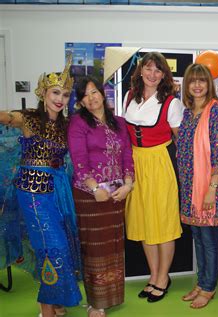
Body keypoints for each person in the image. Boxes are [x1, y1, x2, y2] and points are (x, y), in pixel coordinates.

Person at [0, 60, 82, 317]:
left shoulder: (66, 125)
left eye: (65, 94)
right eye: (55, 93)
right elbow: (6, 117)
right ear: (43, 94)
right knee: (51, 247)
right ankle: (46, 310)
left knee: (61, 245)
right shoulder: (29, 119)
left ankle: (53, 303)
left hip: (58, 192)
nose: (60, 99)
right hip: (33, 193)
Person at [68, 76, 134, 317]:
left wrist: (128, 184)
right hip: (90, 196)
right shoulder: (78, 123)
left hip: (117, 195)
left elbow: (127, 154)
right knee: (94, 249)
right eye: (85, 95)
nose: (92, 97)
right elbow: (79, 160)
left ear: (102, 93)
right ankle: (96, 302)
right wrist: (95, 189)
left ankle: (112, 296)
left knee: (113, 246)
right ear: (81, 102)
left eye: (94, 91)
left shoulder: (119, 122)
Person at [122, 52, 184, 303]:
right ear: (141, 72)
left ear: (164, 75)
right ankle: (154, 274)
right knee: (144, 221)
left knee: (163, 221)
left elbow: (181, 142)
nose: (152, 74)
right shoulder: (129, 97)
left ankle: (163, 276)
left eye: (158, 70)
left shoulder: (171, 103)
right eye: (148, 69)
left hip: (160, 163)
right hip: (136, 163)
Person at [177, 63, 218, 309]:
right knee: (198, 238)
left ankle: (209, 287)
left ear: (208, 84)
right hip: (190, 185)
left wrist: (212, 188)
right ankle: (201, 282)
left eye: (202, 80)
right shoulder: (188, 112)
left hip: (209, 185)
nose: (198, 85)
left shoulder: (215, 111)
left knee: (209, 240)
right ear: (187, 85)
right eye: (193, 81)